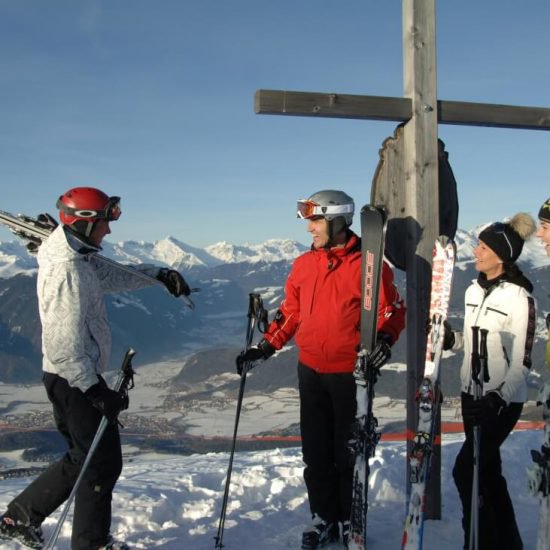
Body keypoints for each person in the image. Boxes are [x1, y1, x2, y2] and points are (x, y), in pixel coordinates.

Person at [0, 187, 191, 550]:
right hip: (74, 379)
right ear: (86, 223)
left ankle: (20, 516)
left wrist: (158, 275)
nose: (109, 230)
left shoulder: (79, 258)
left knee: (82, 456)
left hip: (71, 377)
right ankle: (91, 543)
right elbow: (62, 345)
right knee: (101, 464)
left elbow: (111, 276)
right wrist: (95, 390)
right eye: (105, 221)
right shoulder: (66, 271)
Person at [236, 190, 406, 549]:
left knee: (347, 454)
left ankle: (349, 520)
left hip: (350, 373)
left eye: (315, 220)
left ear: (337, 220)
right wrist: (265, 346)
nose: (310, 228)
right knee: (315, 454)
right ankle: (324, 517)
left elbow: (392, 312)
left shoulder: (368, 266)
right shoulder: (303, 265)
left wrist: (384, 342)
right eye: (309, 221)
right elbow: (291, 312)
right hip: (310, 371)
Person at [444, 212, 537, 550]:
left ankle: (478, 542)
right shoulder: (472, 291)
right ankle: (508, 543)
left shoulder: (520, 298)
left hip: (501, 402)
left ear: (500, 255)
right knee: (488, 474)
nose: (476, 252)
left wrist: (499, 397)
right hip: (471, 395)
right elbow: (472, 341)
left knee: (466, 471)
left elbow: (523, 361)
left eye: (482, 247)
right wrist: (449, 340)